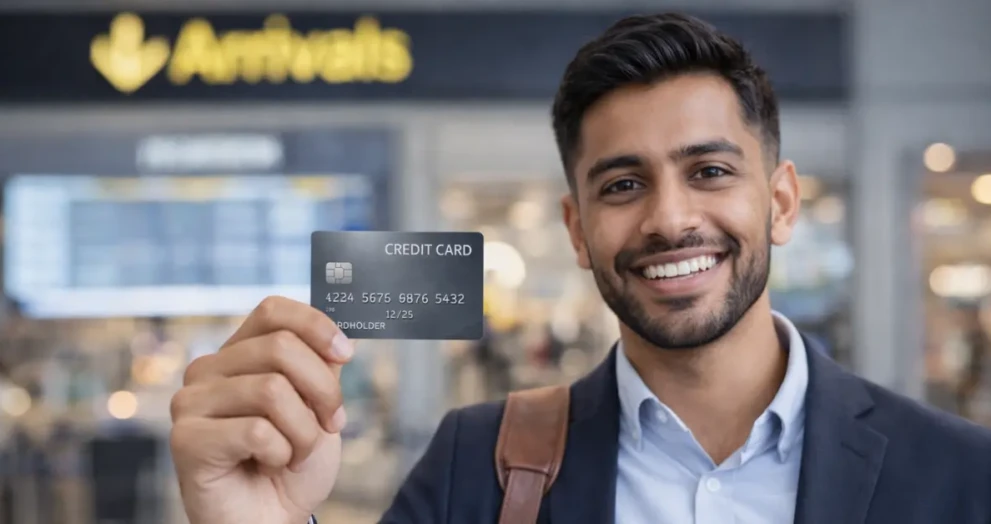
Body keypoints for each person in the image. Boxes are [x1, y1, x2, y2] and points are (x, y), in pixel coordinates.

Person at [169, 12, 991, 524]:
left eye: (709, 171)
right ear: (576, 229)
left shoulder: (957, 474)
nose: (669, 218)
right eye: (623, 185)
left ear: (779, 203)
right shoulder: (475, 466)